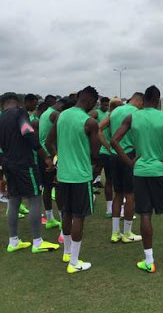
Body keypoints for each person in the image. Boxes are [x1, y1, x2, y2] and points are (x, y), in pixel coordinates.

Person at [111, 86, 163, 273]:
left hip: (140, 172)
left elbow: (114, 140)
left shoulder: (132, 116)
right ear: (158, 99)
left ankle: (149, 260)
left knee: (145, 214)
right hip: (159, 172)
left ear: (143, 99)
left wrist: (129, 161)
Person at [0, 93, 59, 253]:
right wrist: (46, 158)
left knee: (14, 201)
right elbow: (29, 134)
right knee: (34, 198)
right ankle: (37, 242)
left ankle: (13, 241)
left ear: (2, 105)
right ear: (18, 103)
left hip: (7, 165)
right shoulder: (20, 114)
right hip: (24, 164)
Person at [46, 86, 100, 274]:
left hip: (63, 176)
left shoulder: (61, 116)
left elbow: (48, 141)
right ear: (91, 101)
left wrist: (57, 158)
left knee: (66, 213)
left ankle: (67, 253)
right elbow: (95, 154)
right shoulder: (90, 122)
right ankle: (74, 262)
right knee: (79, 217)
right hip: (80, 176)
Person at [99, 93, 143, 243]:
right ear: (139, 101)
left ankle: (115, 233)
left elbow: (99, 128)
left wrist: (107, 146)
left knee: (118, 194)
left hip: (114, 155)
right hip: (129, 154)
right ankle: (127, 233)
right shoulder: (136, 113)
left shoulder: (115, 111)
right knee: (130, 195)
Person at [38, 99, 67, 232]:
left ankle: (49, 218)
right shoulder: (56, 114)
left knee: (47, 187)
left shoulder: (46, 112)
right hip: (51, 155)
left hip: (43, 154)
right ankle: (63, 220)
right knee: (58, 187)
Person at [97, 98, 123, 217]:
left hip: (109, 152)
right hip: (113, 153)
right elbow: (99, 129)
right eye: (120, 105)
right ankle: (118, 209)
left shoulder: (110, 116)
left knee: (109, 180)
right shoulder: (113, 116)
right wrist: (108, 147)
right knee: (117, 182)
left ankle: (110, 209)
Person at [91, 97, 110, 189]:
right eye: (105, 105)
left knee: (102, 165)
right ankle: (91, 181)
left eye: (108, 105)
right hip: (97, 142)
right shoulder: (96, 112)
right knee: (97, 164)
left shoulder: (108, 114)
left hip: (105, 141)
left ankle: (97, 181)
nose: (106, 107)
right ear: (100, 104)